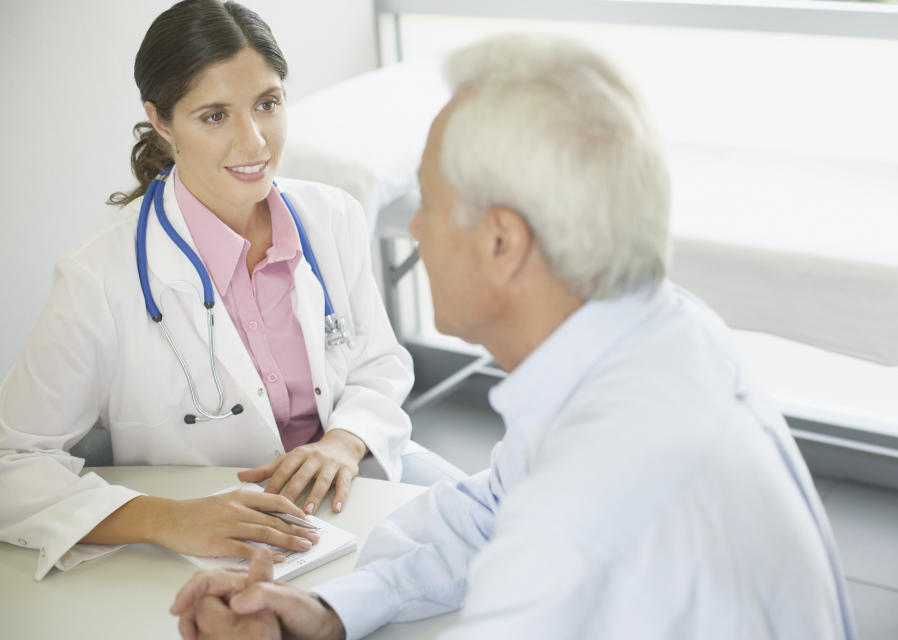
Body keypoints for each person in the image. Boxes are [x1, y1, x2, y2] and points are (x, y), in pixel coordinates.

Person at [172, 33, 858, 639]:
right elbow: (493, 509)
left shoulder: (584, 516)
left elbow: (539, 537)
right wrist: (326, 610)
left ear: (502, 241)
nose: (415, 231)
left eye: (431, 206)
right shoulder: (652, 335)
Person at [0, 0, 463, 582]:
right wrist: (165, 518)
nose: (254, 142)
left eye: (267, 104)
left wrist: (344, 441)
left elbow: (379, 362)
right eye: (215, 116)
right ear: (162, 121)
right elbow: (12, 462)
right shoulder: (98, 278)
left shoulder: (331, 217)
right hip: (207, 532)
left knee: (502, 541)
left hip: (346, 487)